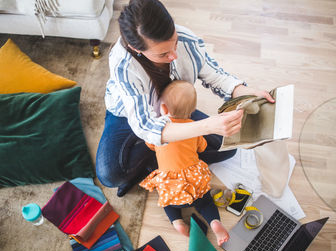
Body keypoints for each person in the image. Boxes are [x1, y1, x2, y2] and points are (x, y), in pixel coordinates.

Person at [95, 0, 274, 197]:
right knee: (110, 175)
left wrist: (245, 91)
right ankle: (165, 154)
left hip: (177, 109)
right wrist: (206, 127)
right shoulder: (123, 64)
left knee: (228, 148)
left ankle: (161, 156)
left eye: (175, 43)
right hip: (128, 117)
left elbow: (215, 75)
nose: (174, 55)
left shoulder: (187, 39)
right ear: (137, 49)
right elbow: (144, 125)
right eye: (163, 54)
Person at [139, 80, 229, 246]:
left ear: (164, 109)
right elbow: (202, 147)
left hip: (171, 184)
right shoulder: (194, 128)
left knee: (168, 203)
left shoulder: (160, 130)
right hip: (194, 181)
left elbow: (150, 144)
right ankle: (215, 222)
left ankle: (177, 222)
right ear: (192, 111)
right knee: (205, 201)